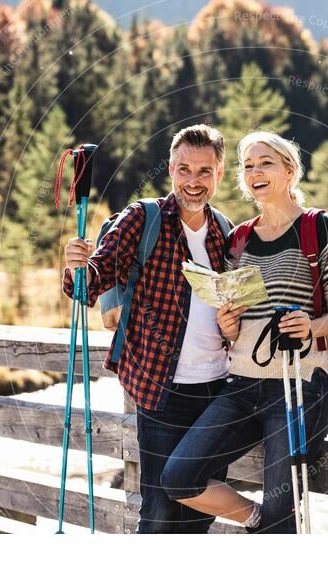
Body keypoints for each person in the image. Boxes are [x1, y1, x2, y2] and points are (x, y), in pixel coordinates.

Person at [160, 130, 328, 533]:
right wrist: (228, 324)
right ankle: (258, 521)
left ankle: (273, 526)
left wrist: (311, 325)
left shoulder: (317, 227)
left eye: (265, 162)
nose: (255, 171)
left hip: (299, 385)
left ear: (290, 171)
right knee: (179, 477)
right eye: (248, 165)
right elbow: (236, 322)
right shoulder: (240, 239)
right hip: (241, 387)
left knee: (283, 515)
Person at [62, 124, 234, 533]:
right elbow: (92, 279)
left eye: (205, 171)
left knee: (199, 513)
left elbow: (231, 311)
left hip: (217, 391)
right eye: (184, 170)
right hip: (162, 390)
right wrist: (75, 267)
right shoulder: (144, 218)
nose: (194, 181)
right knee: (158, 511)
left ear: (220, 174)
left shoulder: (226, 232)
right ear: (170, 169)